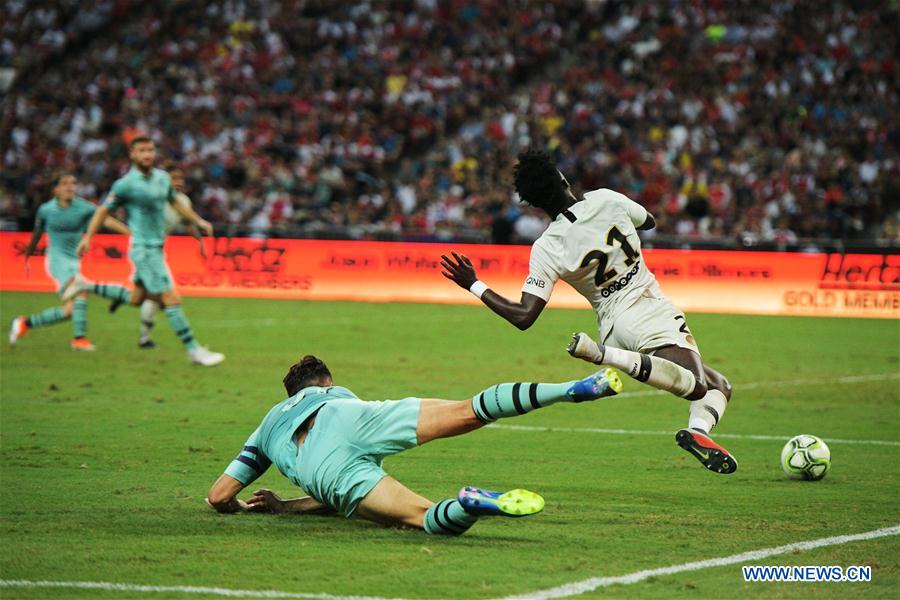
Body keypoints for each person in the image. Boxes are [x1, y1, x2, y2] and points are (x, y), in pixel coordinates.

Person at [440, 148, 737, 475]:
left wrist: (474, 284)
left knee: (720, 385)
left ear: (534, 204)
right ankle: (600, 355)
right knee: (697, 385)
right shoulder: (606, 199)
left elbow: (523, 316)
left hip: (611, 324)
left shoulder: (547, 247)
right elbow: (649, 221)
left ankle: (697, 432)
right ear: (563, 178)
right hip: (647, 306)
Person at [206, 355, 623, 534]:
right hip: (350, 417)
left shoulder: (267, 426)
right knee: (468, 410)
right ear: (326, 382)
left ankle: (468, 505)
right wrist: (289, 507)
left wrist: (262, 506)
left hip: (323, 467)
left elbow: (219, 496)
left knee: (420, 517)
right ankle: (571, 388)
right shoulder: (336, 394)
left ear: (290, 395)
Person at [71, 136, 224, 366]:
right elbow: (103, 211)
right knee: (171, 298)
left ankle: (85, 285)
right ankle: (194, 350)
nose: (147, 154)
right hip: (144, 250)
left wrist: (198, 220)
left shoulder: (162, 178)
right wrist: (88, 237)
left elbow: (176, 202)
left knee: (137, 298)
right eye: (142, 150)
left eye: (150, 150)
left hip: (157, 248)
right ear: (132, 154)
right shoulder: (125, 184)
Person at [9, 173, 129, 351]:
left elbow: (106, 220)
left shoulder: (83, 207)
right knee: (81, 289)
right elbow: (37, 234)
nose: (70, 187)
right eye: (65, 183)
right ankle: (80, 339)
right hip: (56, 261)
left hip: (73, 261)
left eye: (73, 183)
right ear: (55, 189)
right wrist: (28, 254)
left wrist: (131, 233)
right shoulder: (46, 210)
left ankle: (24, 323)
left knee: (69, 311)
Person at [132, 161, 206, 349]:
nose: (178, 182)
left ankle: (144, 338)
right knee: (163, 295)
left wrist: (200, 242)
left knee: (151, 295)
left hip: (156, 251)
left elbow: (188, 223)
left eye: (181, 178)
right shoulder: (155, 198)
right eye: (174, 178)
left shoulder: (183, 201)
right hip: (143, 249)